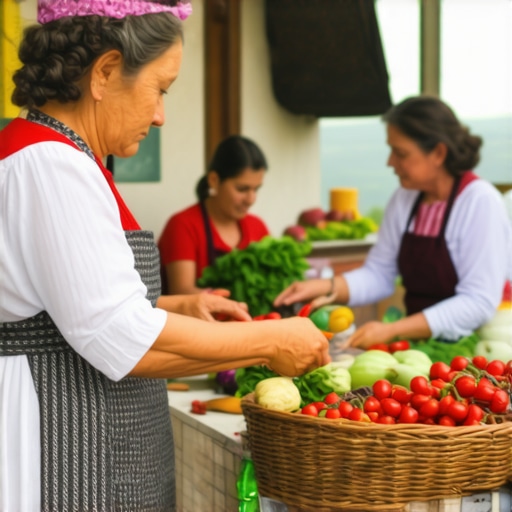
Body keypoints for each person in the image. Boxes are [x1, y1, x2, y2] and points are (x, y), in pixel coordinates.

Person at [0, 2, 330, 511]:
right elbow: (123, 341)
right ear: (106, 72)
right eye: (159, 89)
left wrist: (172, 307)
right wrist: (271, 340)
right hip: (67, 447)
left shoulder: (55, 155)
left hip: (93, 436)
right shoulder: (51, 164)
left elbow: (73, 307)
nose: (160, 116)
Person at [275, 95, 512, 350]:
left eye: (400, 153)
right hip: (422, 343)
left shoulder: (480, 201)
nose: (390, 162)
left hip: (481, 347)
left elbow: (478, 302)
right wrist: (327, 286)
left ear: (439, 153)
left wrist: (393, 330)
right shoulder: (405, 199)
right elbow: (379, 273)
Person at [158, 134, 270, 294]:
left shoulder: (257, 227)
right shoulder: (182, 225)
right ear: (214, 180)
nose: (251, 199)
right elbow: (181, 291)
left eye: (256, 189)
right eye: (242, 189)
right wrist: (230, 303)